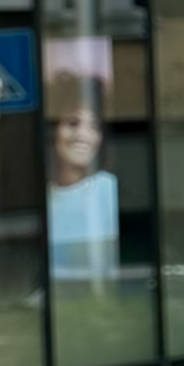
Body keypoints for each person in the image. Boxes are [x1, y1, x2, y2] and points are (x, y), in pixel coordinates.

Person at [46, 77, 118, 284]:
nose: (82, 136)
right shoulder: (42, 197)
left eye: (93, 127)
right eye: (72, 123)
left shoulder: (109, 190)